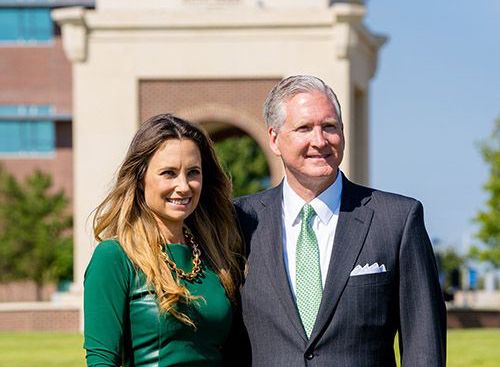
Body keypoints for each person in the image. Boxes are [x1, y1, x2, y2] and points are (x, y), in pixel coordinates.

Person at [234, 75, 446, 366]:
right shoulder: (239, 222)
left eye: (329, 127)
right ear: (274, 138)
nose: (319, 140)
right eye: (304, 128)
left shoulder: (397, 220)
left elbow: (424, 347)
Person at [84, 114, 243, 366]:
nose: (183, 186)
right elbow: (102, 359)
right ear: (140, 178)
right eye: (168, 173)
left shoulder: (217, 255)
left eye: (193, 173)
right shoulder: (115, 257)